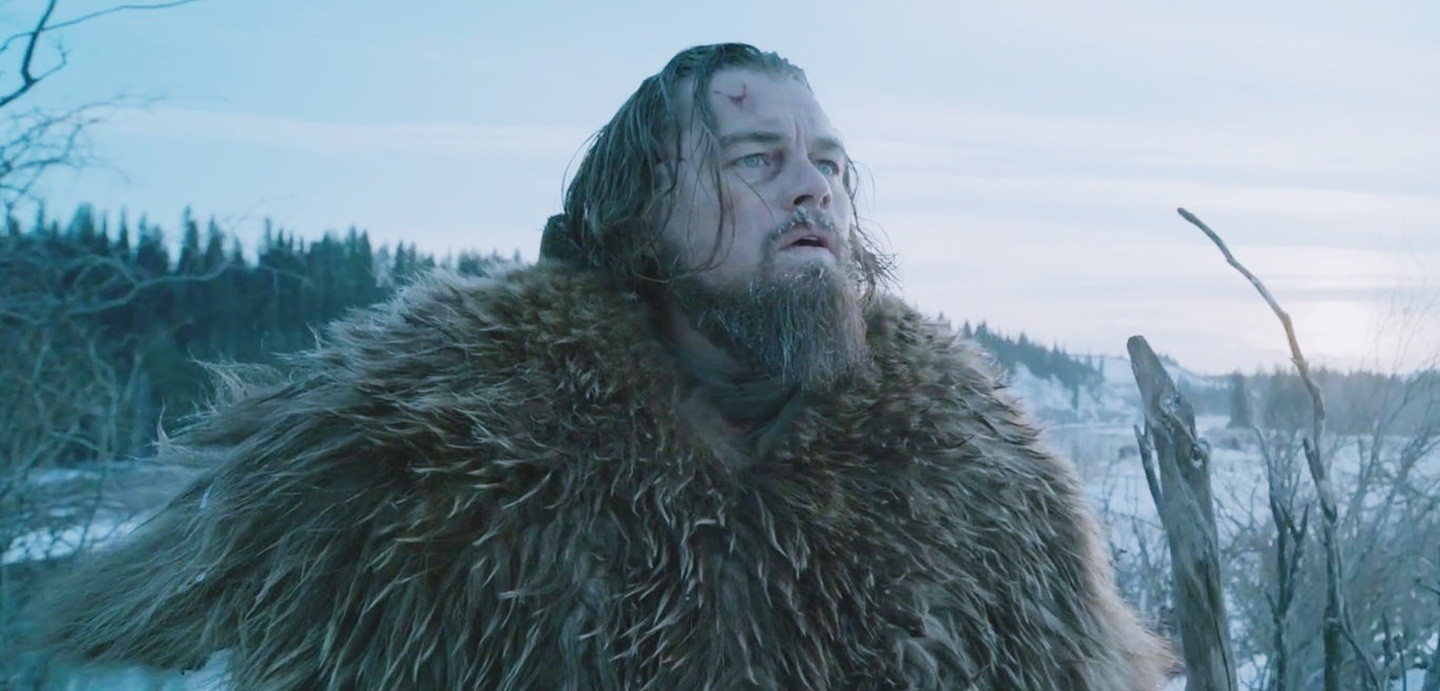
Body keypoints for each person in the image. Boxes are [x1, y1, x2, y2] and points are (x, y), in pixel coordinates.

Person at [35, 43, 1173, 689]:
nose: (813, 188)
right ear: (636, 205)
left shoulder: (988, 479)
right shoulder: (403, 437)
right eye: (756, 158)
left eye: (828, 163)